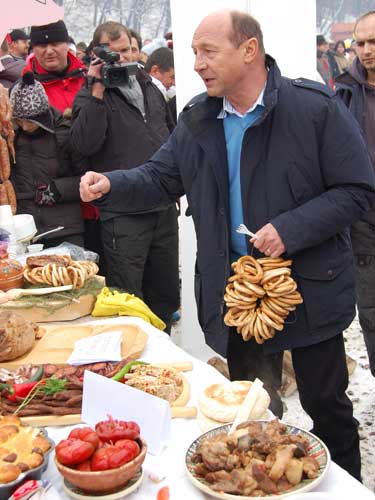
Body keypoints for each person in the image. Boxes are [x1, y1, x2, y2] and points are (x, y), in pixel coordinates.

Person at [80, 9, 375, 479]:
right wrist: (111, 184)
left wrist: (290, 228)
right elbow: (160, 176)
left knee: (329, 412)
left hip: (310, 289)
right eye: (195, 52)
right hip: (237, 295)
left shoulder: (314, 108)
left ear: (249, 50)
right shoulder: (198, 118)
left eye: (208, 51)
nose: (197, 63)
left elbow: (357, 190)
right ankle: (260, 485)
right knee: (251, 414)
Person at [71, 21, 179, 331]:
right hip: (123, 213)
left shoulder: (148, 85)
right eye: (115, 52)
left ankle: (161, 362)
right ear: (97, 54)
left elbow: (170, 136)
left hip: (162, 206)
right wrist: (97, 89)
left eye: (130, 49)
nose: (125, 57)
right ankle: (132, 369)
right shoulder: (90, 93)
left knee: (166, 294)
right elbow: (84, 143)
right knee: (128, 299)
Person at [336, 11, 375, 377]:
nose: (366, 50)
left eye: (373, 42)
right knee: (372, 313)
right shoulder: (344, 90)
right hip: (364, 222)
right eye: (360, 43)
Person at [10, 72, 86, 247]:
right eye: (19, 120)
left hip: (65, 228)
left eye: (28, 121)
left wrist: (58, 190)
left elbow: (88, 178)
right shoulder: (11, 138)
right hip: (25, 233)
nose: (24, 126)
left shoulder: (65, 133)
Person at [23, 20, 86, 113]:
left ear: (67, 45)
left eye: (55, 44)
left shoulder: (88, 78)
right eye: (42, 45)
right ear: (33, 49)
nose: (49, 51)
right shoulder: (23, 89)